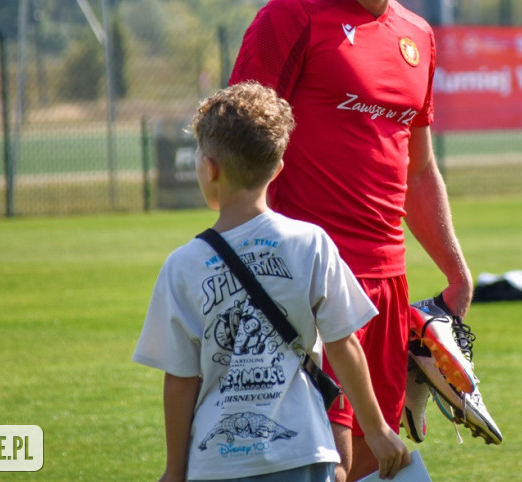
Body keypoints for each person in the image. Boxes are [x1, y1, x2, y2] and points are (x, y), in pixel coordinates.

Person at [229, 0, 473, 481]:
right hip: (302, 282)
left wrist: (455, 268)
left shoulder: (418, 36)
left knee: (374, 459)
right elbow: (235, 149)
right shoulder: (291, 18)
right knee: (322, 462)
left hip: (386, 289)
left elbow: (419, 170)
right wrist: (253, 263)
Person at [133, 82, 410, 482]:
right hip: (303, 452)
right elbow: (343, 343)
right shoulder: (310, 243)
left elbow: (180, 379)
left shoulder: (183, 266)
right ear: (278, 169)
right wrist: (378, 429)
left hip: (217, 462)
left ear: (209, 168)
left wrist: (175, 470)